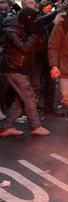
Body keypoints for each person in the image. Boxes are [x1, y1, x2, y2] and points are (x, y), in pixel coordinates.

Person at [0, 8, 51, 136]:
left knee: (21, 99)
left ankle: (7, 127)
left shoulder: (23, 28)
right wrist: (34, 35)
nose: (35, 22)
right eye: (33, 19)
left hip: (19, 68)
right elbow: (25, 48)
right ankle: (35, 126)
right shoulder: (12, 32)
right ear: (27, 20)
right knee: (29, 97)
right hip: (14, 68)